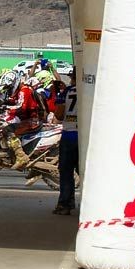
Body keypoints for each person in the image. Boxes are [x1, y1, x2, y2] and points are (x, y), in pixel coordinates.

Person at [52, 78, 78, 215]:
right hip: (86, 136)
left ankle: (65, 204)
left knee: (66, 172)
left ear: (73, 78)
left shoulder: (67, 92)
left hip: (69, 135)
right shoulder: (92, 91)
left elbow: (59, 115)